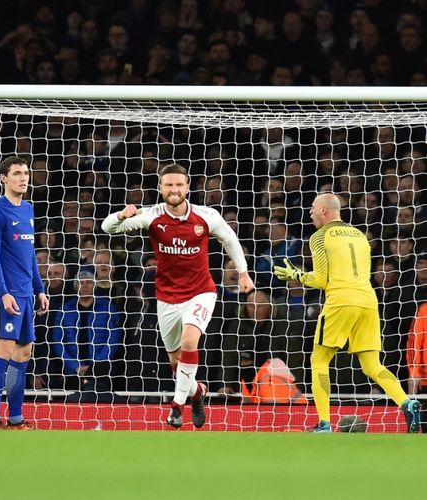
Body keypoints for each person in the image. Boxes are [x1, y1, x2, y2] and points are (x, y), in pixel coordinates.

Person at [102, 163, 254, 430]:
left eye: (179, 185)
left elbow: (230, 239)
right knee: (176, 360)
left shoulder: (206, 216)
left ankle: (177, 405)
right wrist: (121, 215)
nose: (174, 189)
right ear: (160, 188)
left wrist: (243, 273)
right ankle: (197, 392)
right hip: (167, 298)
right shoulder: (151, 216)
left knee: (189, 340)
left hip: (201, 292)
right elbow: (107, 229)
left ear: (187, 187)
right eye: (169, 185)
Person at [273, 193, 422, 433]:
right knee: (372, 365)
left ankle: (324, 424)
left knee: (319, 361)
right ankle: (407, 401)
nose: (309, 213)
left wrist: (296, 275)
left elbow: (322, 280)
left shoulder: (319, 237)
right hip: (368, 301)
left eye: (312, 208)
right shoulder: (361, 236)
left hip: (341, 300)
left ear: (324, 211)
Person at [0, 156, 49, 430]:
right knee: (3, 352)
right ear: (4, 178)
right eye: (17, 173)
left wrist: (40, 289)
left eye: (25, 173)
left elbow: (29, 255)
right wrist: (3, 292)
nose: (23, 178)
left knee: (23, 356)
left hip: (26, 295)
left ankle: (16, 418)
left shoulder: (28, 209)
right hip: (7, 295)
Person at [49, 270, 124, 403]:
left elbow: (114, 338)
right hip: (73, 372)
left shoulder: (108, 307)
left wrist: (94, 366)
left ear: (95, 285)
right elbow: (58, 342)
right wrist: (75, 365)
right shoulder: (65, 309)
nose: (84, 285)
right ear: (75, 286)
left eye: (88, 282)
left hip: (102, 371)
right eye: (80, 282)